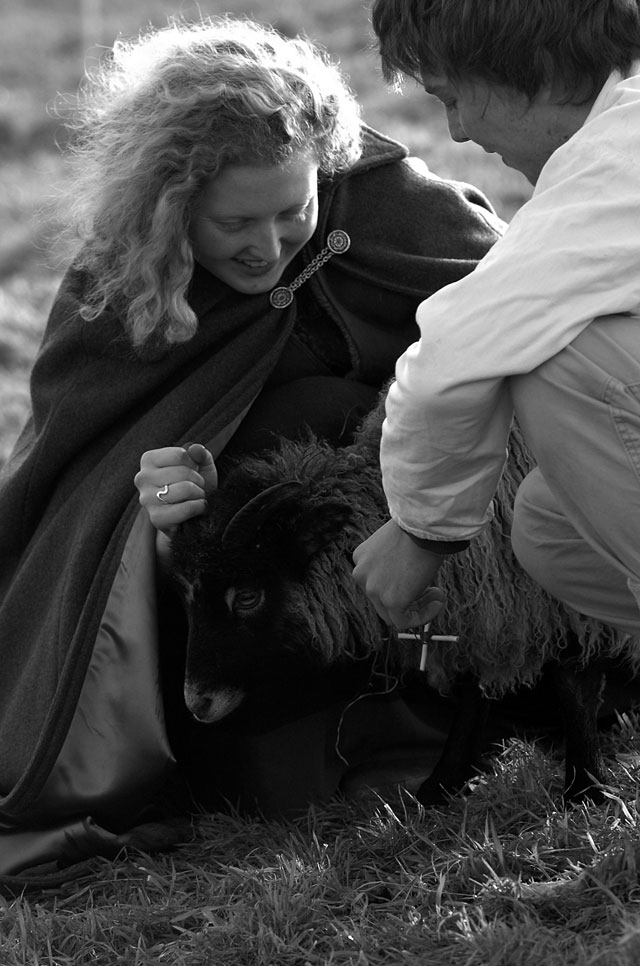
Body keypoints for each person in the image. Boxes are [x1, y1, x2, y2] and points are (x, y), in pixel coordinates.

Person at [0, 16, 503, 882]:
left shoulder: (393, 210)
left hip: (429, 560)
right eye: (235, 222)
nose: (270, 249)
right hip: (237, 624)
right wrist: (154, 523)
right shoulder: (115, 292)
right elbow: (68, 503)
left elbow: (519, 326)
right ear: (170, 205)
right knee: (292, 802)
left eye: (294, 212)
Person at [353, 0, 640, 644]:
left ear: (524, 67)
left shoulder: (619, 161)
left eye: (453, 97)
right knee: (550, 525)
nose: (455, 132)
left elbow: (457, 356)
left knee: (564, 363)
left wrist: (418, 534)